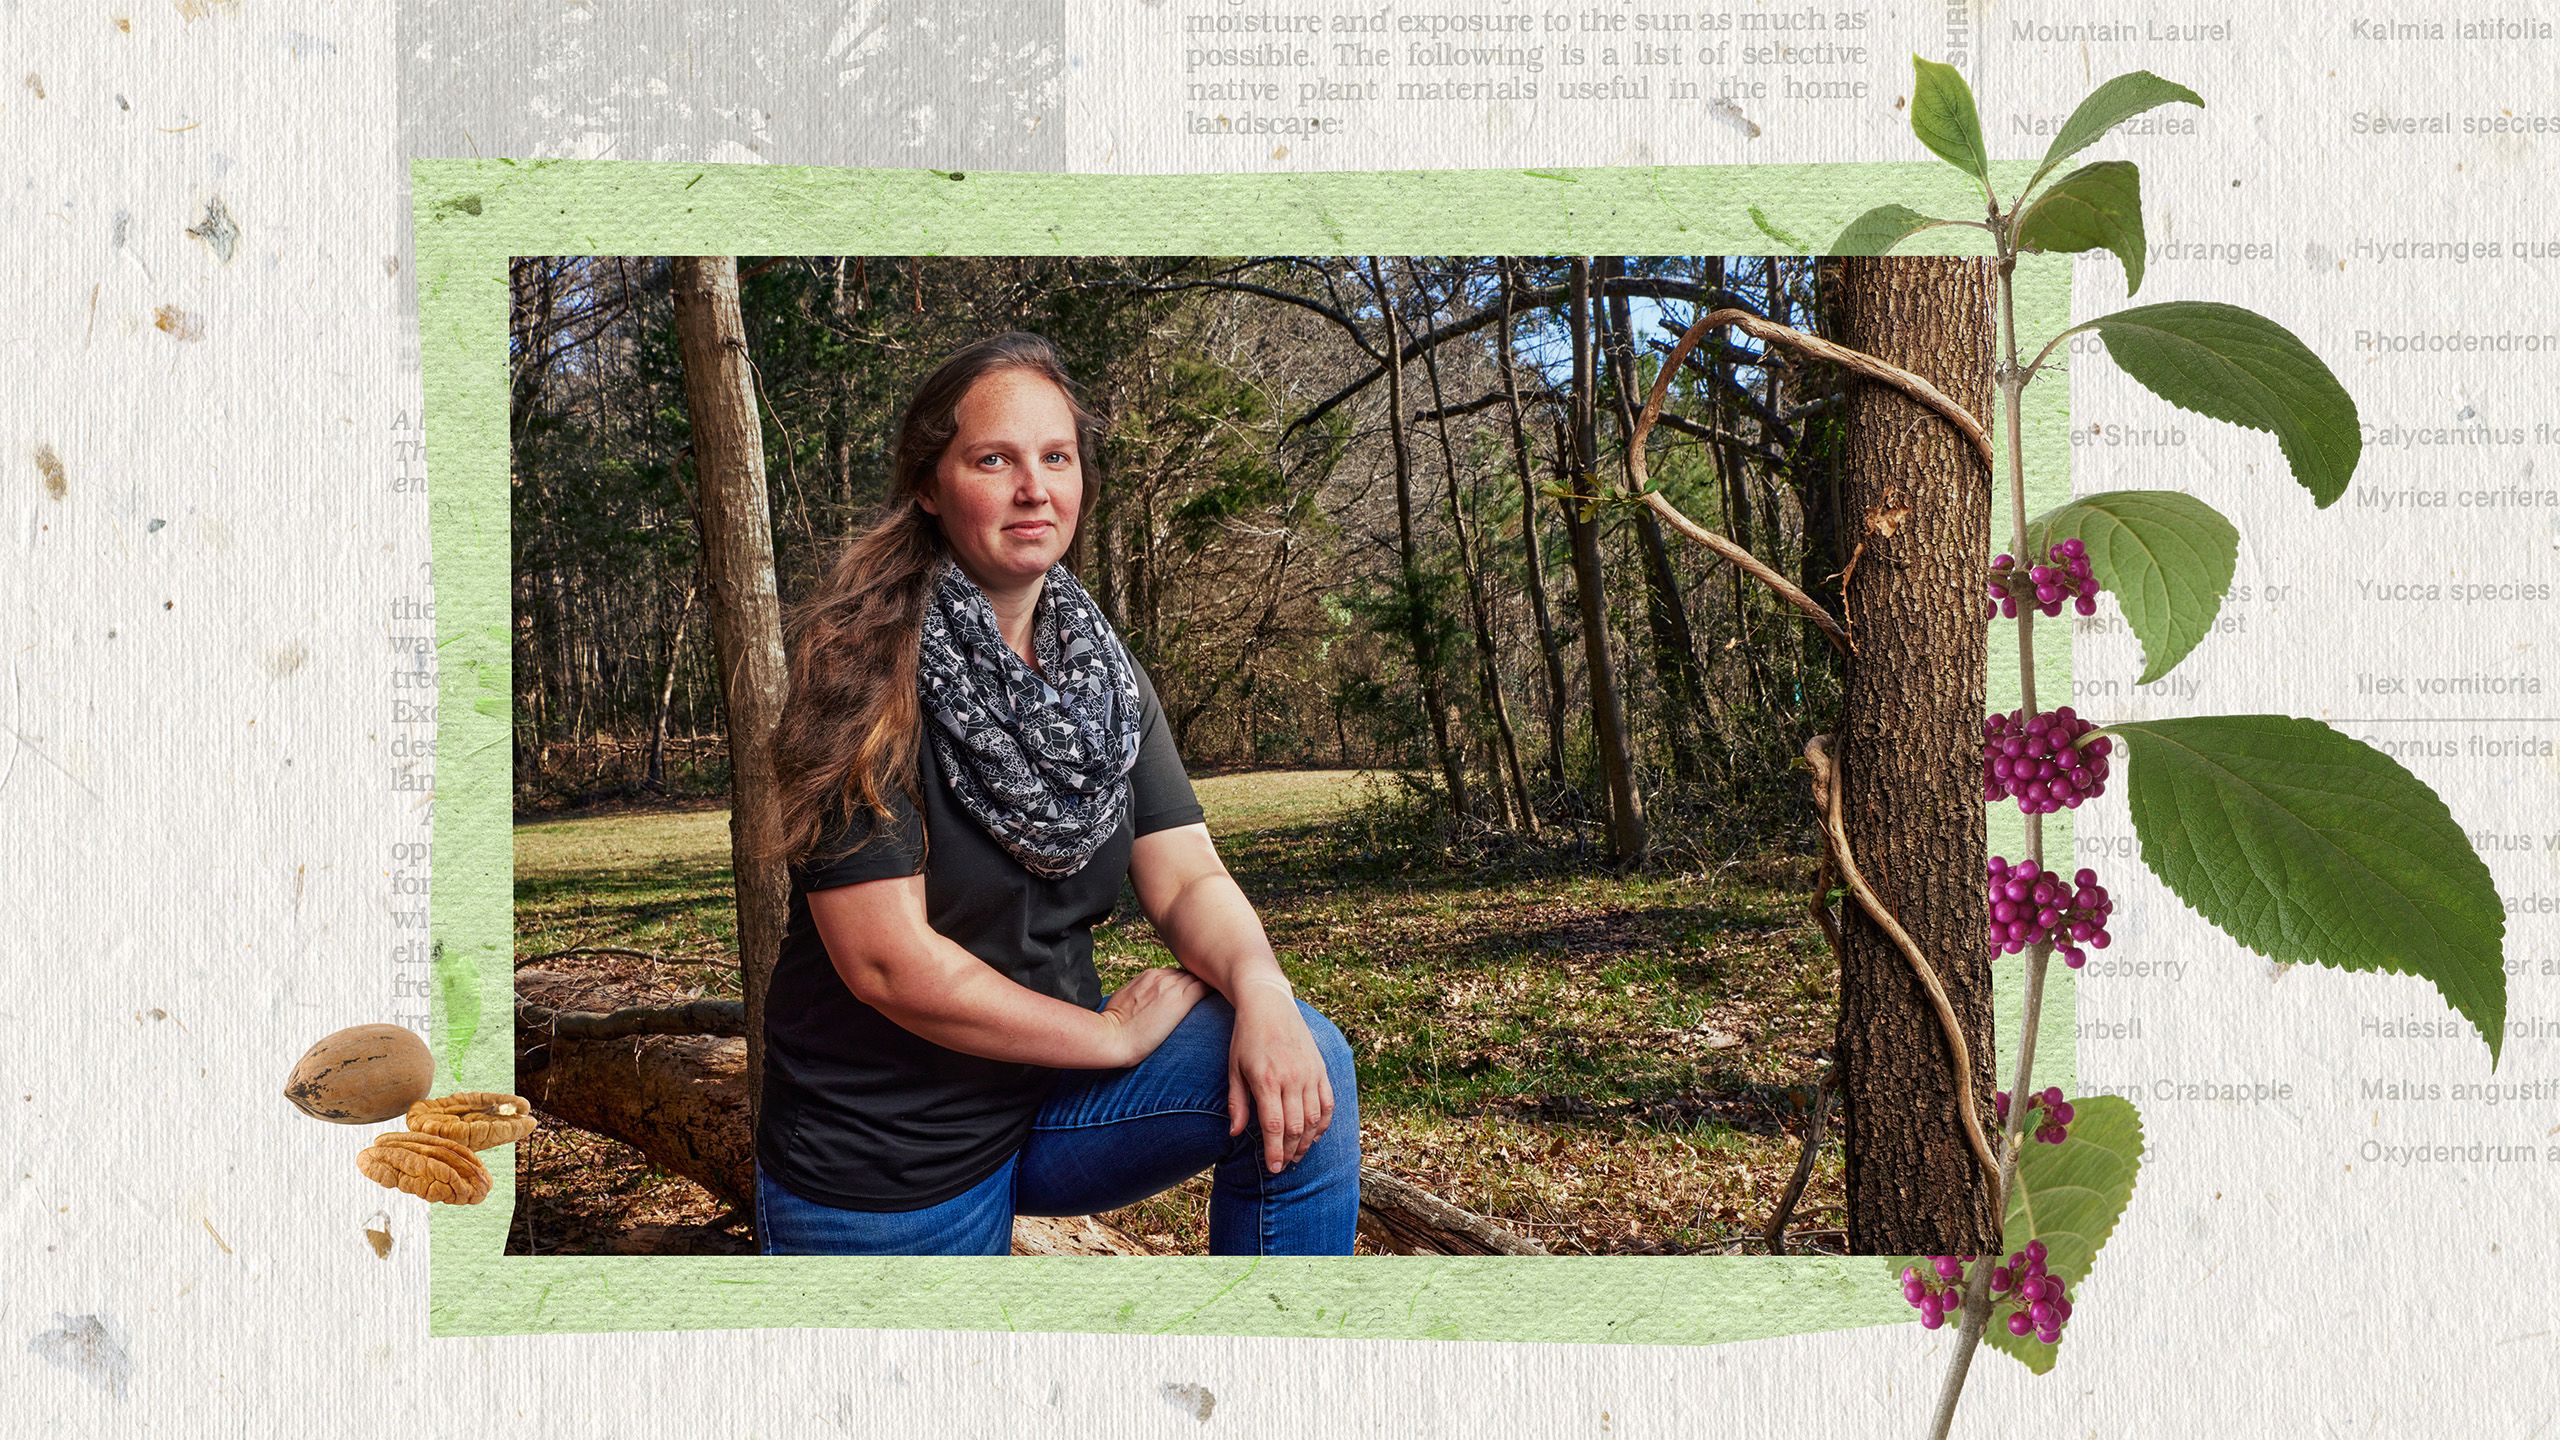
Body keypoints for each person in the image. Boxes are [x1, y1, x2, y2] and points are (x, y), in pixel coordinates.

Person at [752, 330, 1361, 1256]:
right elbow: (888, 964)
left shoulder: (1100, 680)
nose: (1035, 488)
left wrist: (1264, 989)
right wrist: (1109, 1037)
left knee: (1308, 1062)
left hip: (1047, 1096)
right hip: (891, 1159)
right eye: (994, 459)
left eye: (1057, 456)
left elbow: (1188, 879)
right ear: (929, 484)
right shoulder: (860, 671)